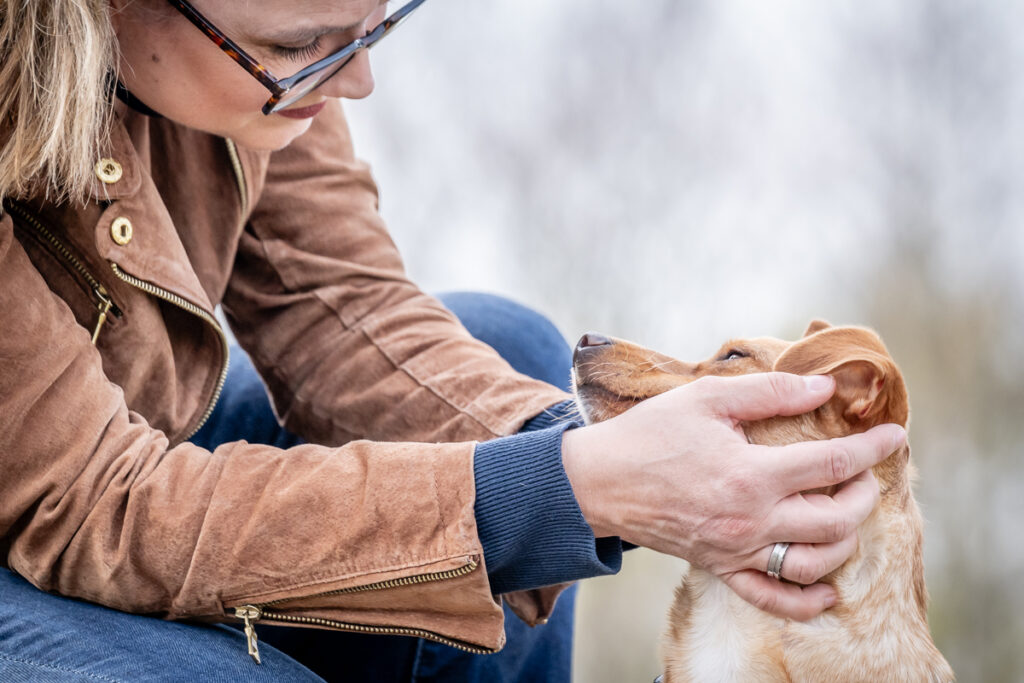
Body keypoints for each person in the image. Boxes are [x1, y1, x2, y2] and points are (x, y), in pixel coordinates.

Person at [0, 1, 904, 681]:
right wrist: (576, 488)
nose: (357, 80)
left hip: (129, 455)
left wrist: (602, 458)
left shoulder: (268, 63)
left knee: (511, 350)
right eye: (301, 44)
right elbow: (89, 500)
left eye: (373, 24)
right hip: (59, 506)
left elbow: (339, 303)